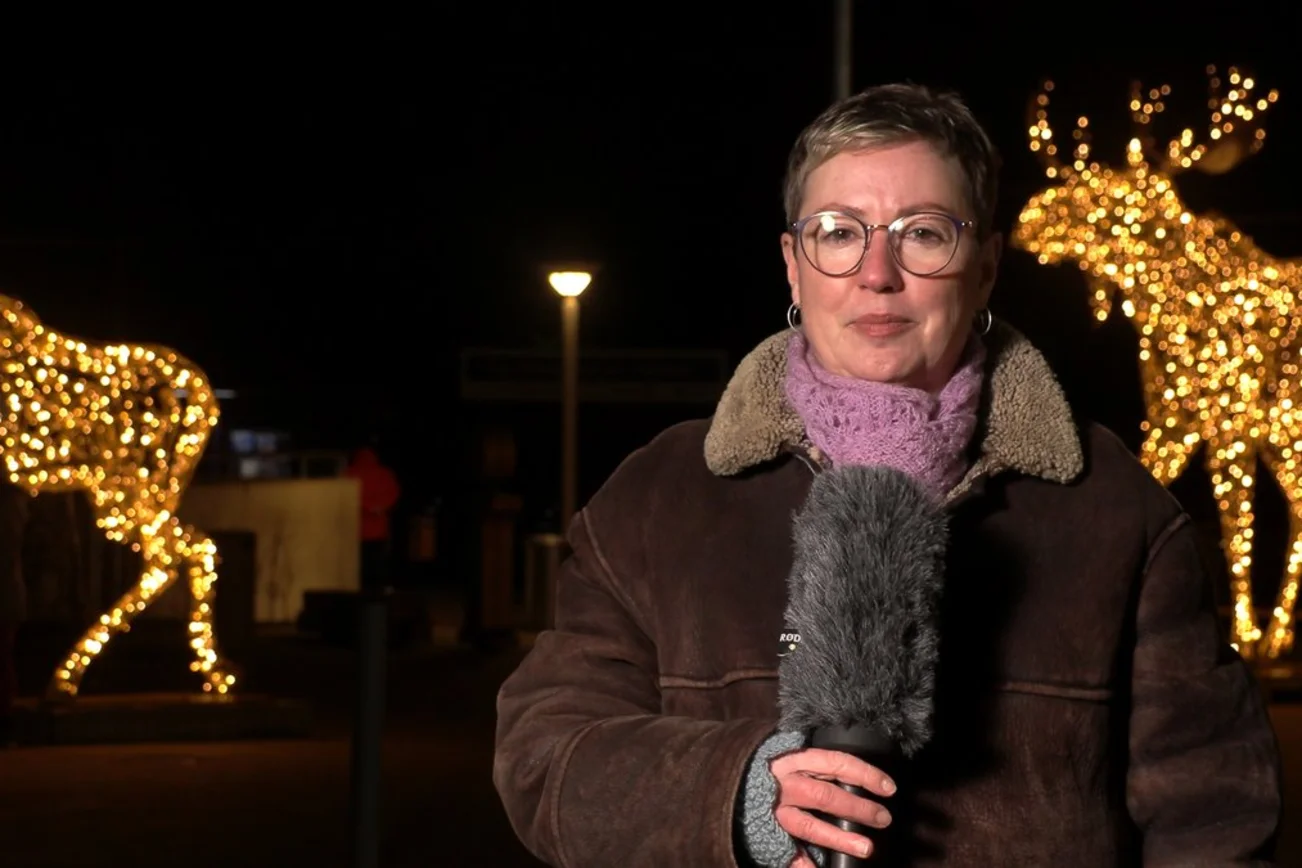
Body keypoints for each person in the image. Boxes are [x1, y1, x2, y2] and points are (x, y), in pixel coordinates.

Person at [493, 84, 1283, 866]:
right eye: (839, 233)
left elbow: (1215, 818)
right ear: (794, 267)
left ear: (985, 267)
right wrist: (734, 795)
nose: (878, 272)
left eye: (924, 234)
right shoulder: (662, 494)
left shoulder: (1114, 507)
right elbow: (545, 755)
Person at [346, 445, 401, 594]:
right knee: (377, 560)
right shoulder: (385, 474)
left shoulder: (349, 473)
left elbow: (346, 497)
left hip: (356, 529)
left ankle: (358, 590)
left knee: (358, 563)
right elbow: (393, 493)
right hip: (379, 527)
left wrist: (366, 507)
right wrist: (379, 507)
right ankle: (378, 589)